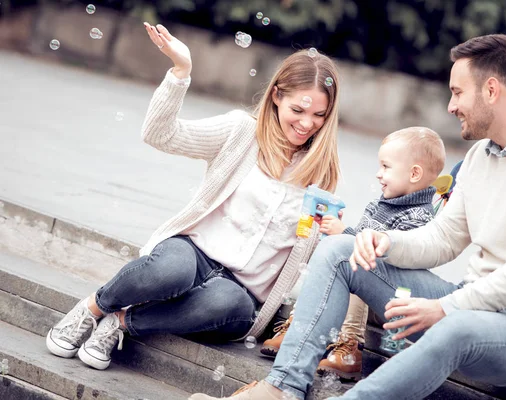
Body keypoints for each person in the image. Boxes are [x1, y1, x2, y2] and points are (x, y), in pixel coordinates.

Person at [189, 33, 506, 400]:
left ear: (491, 89)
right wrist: (389, 242)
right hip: (472, 306)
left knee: (454, 328)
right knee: (339, 250)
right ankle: (281, 389)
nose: (451, 105)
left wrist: (449, 308)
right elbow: (442, 238)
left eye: (458, 92)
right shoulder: (481, 155)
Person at [45, 22, 342, 371]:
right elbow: (160, 134)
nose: (307, 123)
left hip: (241, 293)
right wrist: (180, 72)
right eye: (298, 110)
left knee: (225, 301)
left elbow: (305, 255)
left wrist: (334, 238)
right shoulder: (241, 132)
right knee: (171, 269)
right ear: (277, 96)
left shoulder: (321, 175)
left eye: (319, 115)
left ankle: (121, 323)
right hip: (194, 251)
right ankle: (93, 308)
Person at [260, 127, 446, 382]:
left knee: (359, 263)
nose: (379, 174)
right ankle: (298, 325)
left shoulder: (420, 217)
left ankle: (350, 345)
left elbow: (391, 262)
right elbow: (357, 238)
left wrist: (345, 234)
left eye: (386, 167)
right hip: (362, 289)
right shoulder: (378, 204)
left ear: (414, 173)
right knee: (332, 257)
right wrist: (339, 232)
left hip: (391, 297)